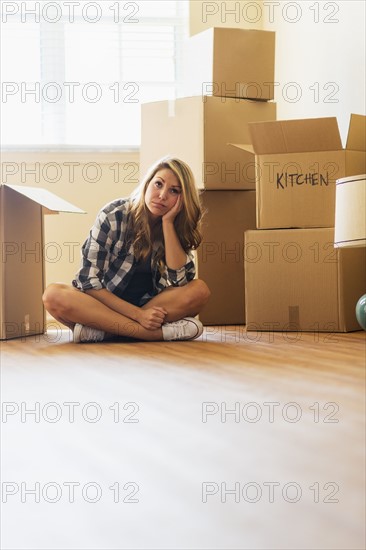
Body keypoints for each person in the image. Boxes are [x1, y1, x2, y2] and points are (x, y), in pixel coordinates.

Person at [43, 156, 211, 343]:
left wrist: (168, 223)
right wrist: (138, 316)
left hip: (152, 306)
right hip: (105, 307)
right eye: (158, 184)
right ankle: (153, 334)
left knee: (199, 290)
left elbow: (179, 282)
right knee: (53, 295)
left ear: (182, 199)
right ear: (147, 184)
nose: (162, 195)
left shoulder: (177, 226)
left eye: (174, 191)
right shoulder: (115, 215)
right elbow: (88, 281)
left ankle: (105, 332)